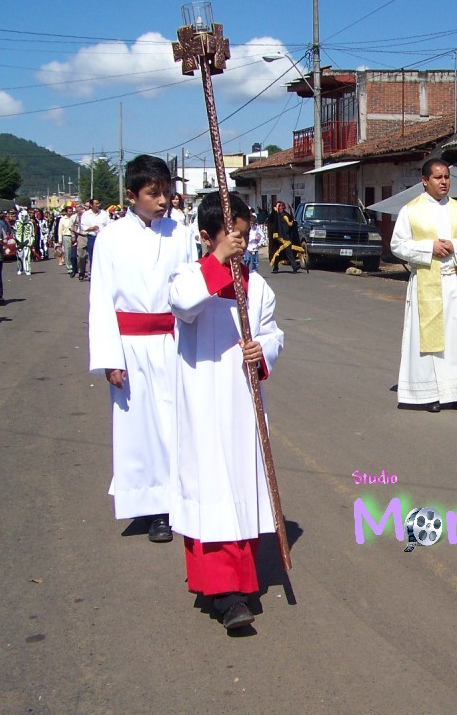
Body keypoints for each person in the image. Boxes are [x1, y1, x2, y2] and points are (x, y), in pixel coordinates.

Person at [167, 192, 284, 631]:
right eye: (232, 235)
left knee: (243, 485)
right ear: (206, 236)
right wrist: (217, 260)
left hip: (243, 403)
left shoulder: (259, 287)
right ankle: (224, 593)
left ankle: (242, 580)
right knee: (211, 488)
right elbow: (183, 304)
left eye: (245, 235)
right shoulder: (189, 276)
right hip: (204, 404)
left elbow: (273, 333)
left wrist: (262, 350)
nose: (240, 243)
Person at [88, 155, 199, 543]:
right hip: (130, 347)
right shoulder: (111, 237)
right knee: (141, 429)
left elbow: (191, 290)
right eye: (153, 193)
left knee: (176, 423)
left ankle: (179, 500)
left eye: (166, 191)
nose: (163, 200)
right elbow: (101, 299)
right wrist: (109, 358)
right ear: (132, 195)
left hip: (173, 342)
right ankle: (153, 509)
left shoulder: (182, 234)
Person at [390, 159, 457, 414]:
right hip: (427, 281)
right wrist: (430, 247)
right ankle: (429, 394)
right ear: (424, 181)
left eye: (447, 177)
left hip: (455, 281)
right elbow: (398, 245)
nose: (444, 182)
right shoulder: (411, 211)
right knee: (429, 339)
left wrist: (453, 246)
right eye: (438, 177)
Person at [267, 201, 303, 273]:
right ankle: (275, 267)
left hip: (286, 237)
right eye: (279, 207)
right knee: (276, 252)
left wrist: (293, 217)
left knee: (289, 252)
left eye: (282, 207)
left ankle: (294, 266)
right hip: (277, 237)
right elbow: (271, 220)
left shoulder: (286, 215)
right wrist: (275, 209)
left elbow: (291, 223)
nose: (281, 208)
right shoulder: (275, 215)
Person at [80, 198, 109, 280]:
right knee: (92, 256)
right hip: (92, 238)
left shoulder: (104, 214)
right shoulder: (86, 214)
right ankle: (94, 274)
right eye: (96, 204)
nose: (98, 205)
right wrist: (92, 228)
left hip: (102, 238)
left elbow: (108, 224)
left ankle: (103, 274)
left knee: (103, 257)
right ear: (91, 205)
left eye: (98, 203)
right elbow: (83, 226)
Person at [14, 208, 35, 276]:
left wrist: (30, 242)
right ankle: (20, 269)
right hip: (19, 242)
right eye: (22, 216)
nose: (24, 218)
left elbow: (32, 234)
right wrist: (16, 241)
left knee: (27, 256)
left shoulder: (30, 224)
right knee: (19, 256)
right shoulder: (17, 223)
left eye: (25, 216)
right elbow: (14, 232)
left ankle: (27, 269)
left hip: (27, 242)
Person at [59, 206, 77, 275]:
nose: (71, 212)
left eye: (71, 211)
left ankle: (75, 267)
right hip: (66, 236)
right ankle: (69, 268)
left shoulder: (75, 218)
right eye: (69, 211)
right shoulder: (62, 219)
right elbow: (60, 230)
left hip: (75, 236)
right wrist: (60, 239)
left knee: (75, 253)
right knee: (67, 253)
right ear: (66, 212)